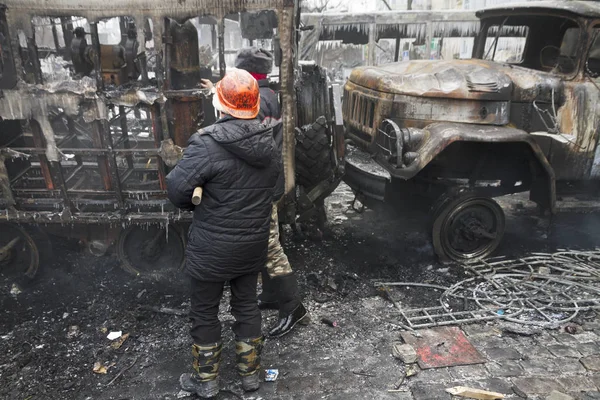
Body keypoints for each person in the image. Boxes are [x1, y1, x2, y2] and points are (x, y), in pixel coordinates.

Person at [167, 68, 281, 398]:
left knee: (204, 311)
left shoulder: (205, 144)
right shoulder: (268, 144)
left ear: (220, 106)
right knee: (247, 307)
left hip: (212, 248)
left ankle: (207, 382)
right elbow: (273, 190)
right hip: (251, 246)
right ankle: (250, 379)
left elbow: (176, 192)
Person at [234, 47, 309, 337]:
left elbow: (249, 146)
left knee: (269, 246)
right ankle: (269, 295)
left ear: (248, 73)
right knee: (264, 242)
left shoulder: (255, 101)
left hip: (260, 184)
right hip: (269, 181)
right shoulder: (268, 95)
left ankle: (293, 307)